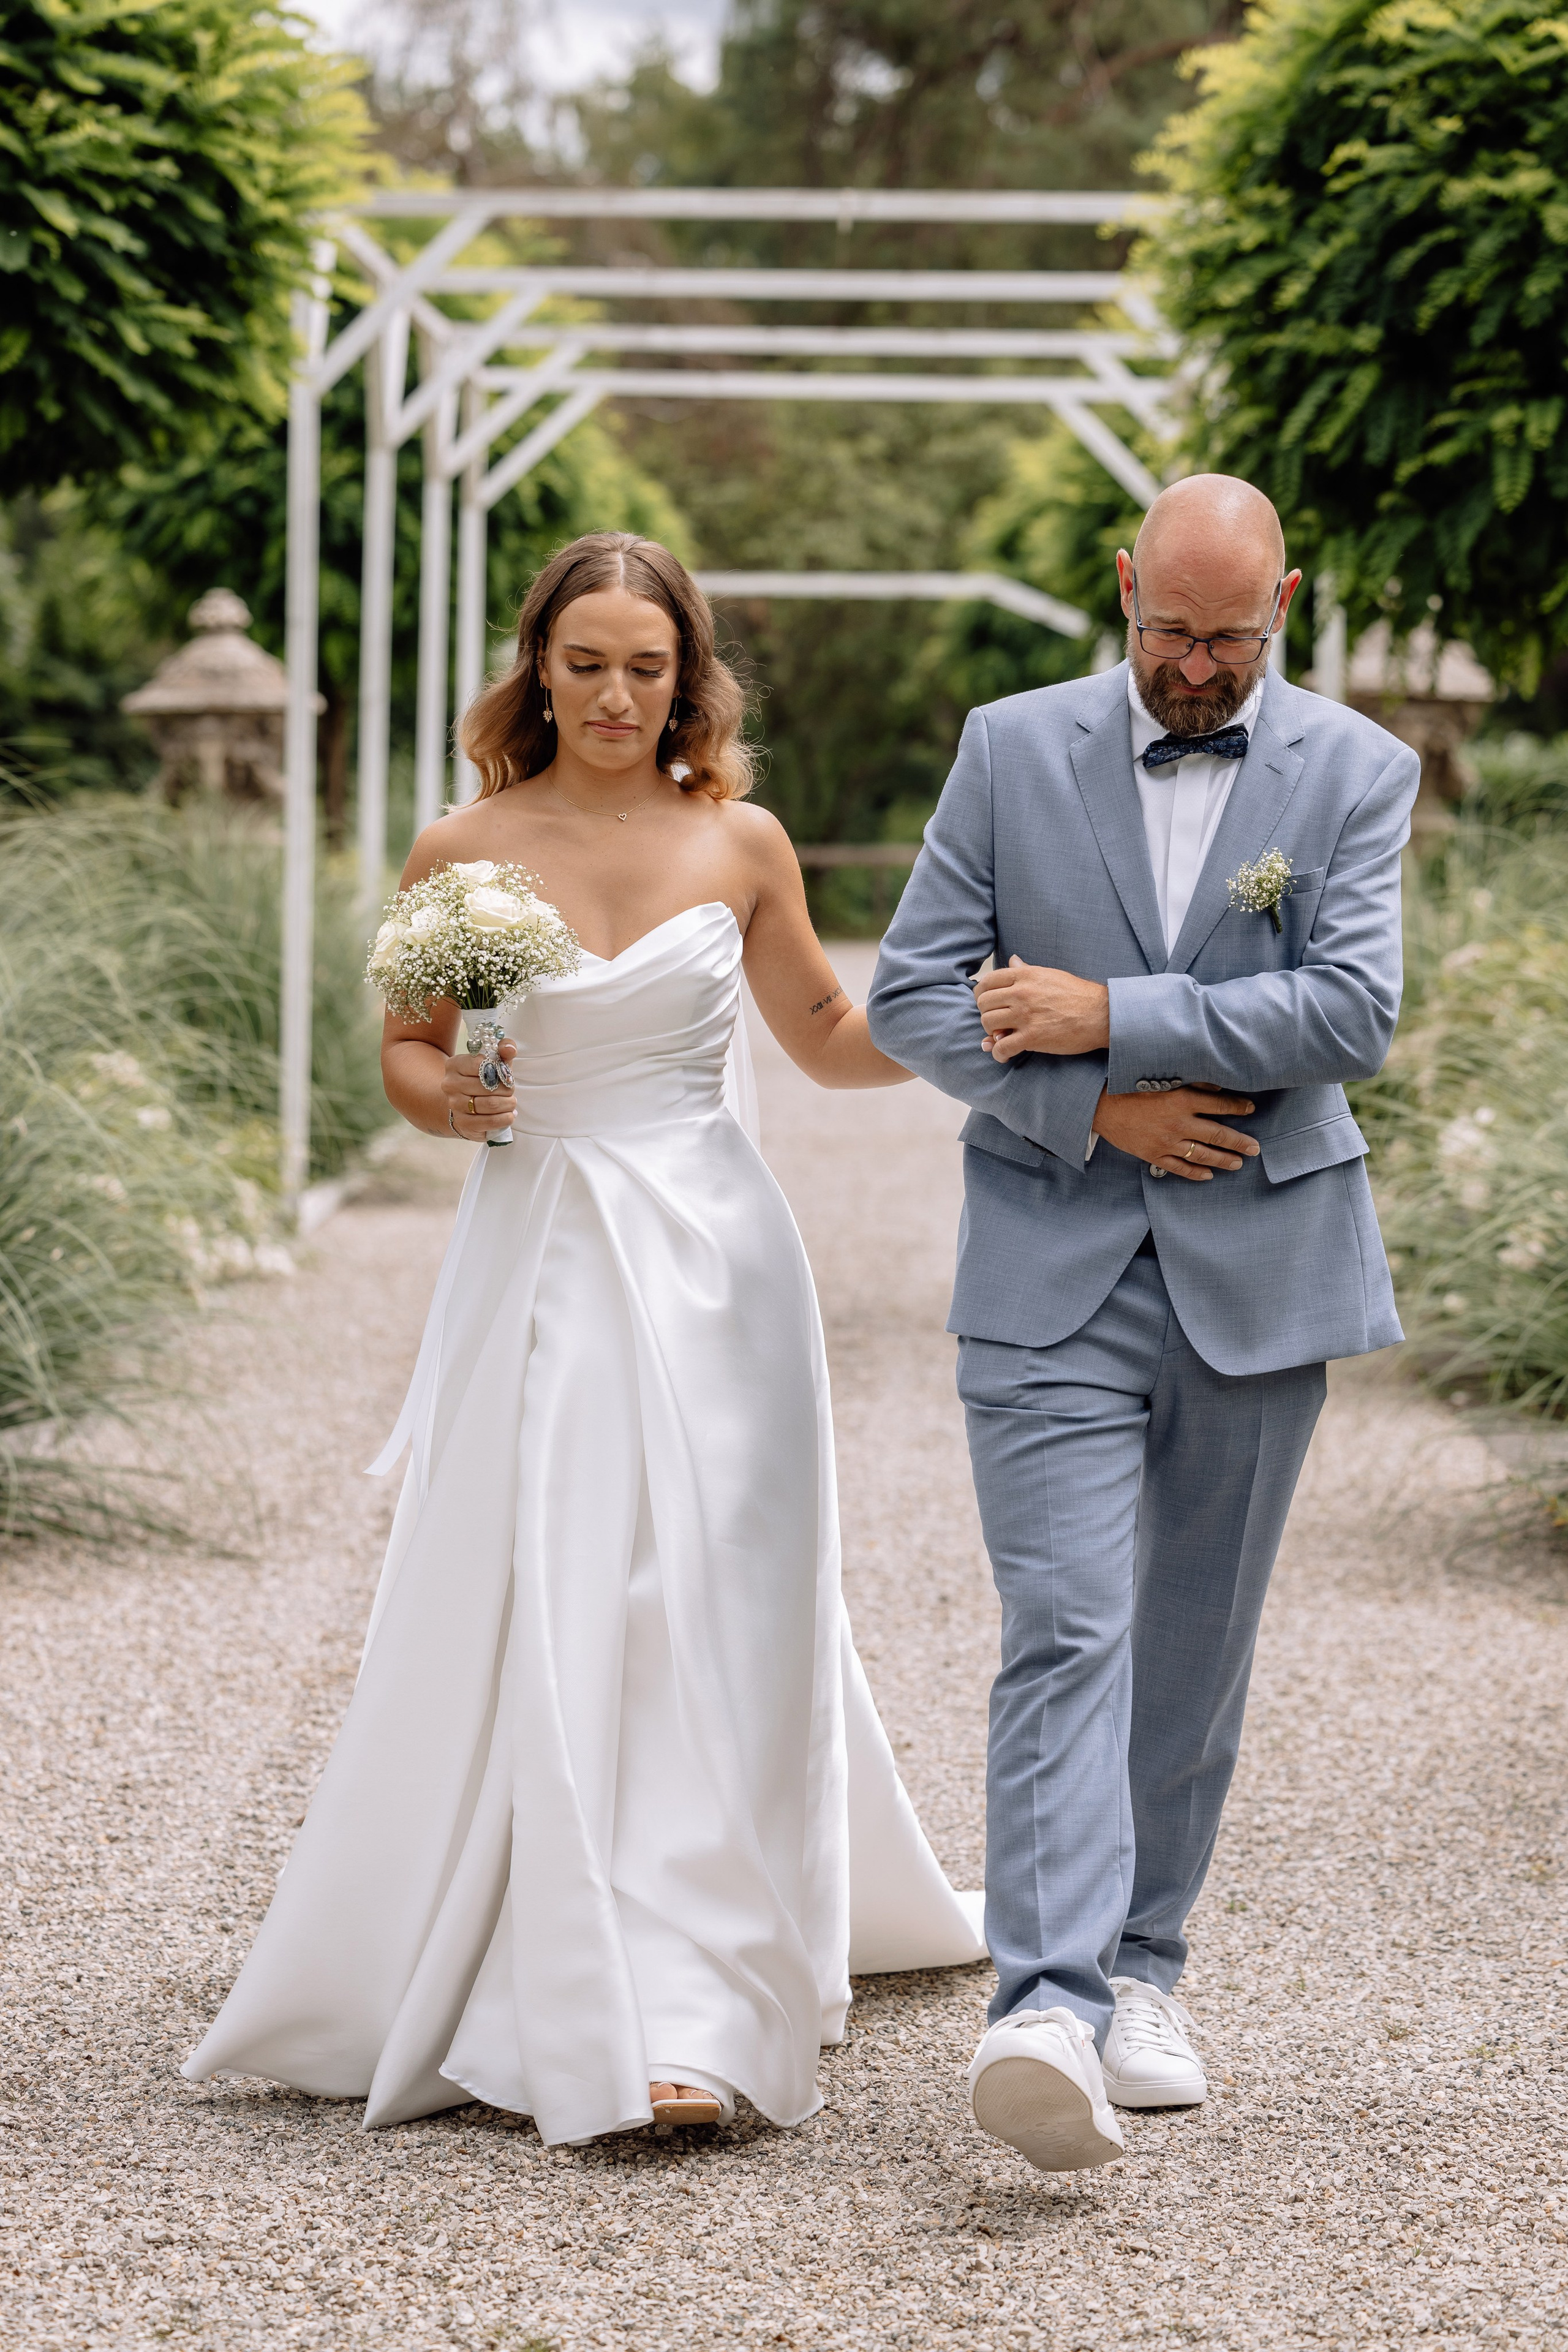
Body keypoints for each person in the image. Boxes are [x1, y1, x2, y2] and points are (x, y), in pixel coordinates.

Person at [184, 532, 983, 2144]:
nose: (618, 695)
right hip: (544, 1249)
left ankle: (699, 1987)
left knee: (712, 1593)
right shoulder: (463, 850)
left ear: (689, 680)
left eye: (648, 667)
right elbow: (410, 1054)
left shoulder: (742, 840)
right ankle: (562, 1961)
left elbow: (830, 1039)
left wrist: (982, 1018)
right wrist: (454, 1102)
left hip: (720, 1265)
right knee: (557, 1580)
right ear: (539, 668)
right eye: (588, 663)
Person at [867, 474, 1419, 2174]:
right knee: (1065, 1624)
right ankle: (1041, 2000)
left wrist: (1108, 1013)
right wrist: (1094, 1109)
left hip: (1266, 1266)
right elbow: (912, 996)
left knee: (1193, 1641)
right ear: (1122, 587)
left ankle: (1145, 1972)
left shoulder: (1359, 770)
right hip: (1051, 1264)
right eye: (1168, 629)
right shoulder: (1009, 748)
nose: (1194, 667)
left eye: (1229, 638)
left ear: (1284, 607)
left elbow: (1352, 1010)